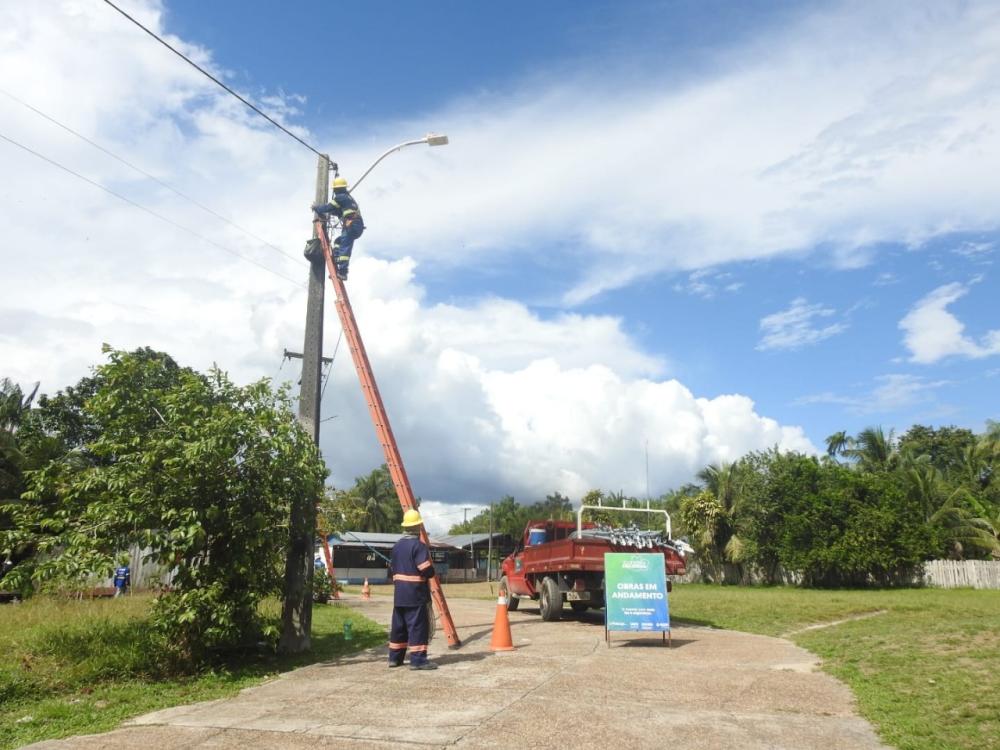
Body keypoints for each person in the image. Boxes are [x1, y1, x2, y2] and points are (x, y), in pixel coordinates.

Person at [388, 509, 438, 670]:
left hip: (399, 595)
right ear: (418, 527)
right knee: (417, 626)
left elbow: (392, 571)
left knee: (399, 627)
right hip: (415, 595)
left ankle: (395, 658)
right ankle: (418, 661)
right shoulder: (419, 546)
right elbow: (425, 569)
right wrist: (432, 571)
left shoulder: (396, 547)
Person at [311, 176, 365, 281]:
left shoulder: (340, 197)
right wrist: (330, 212)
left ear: (336, 189)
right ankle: (336, 259)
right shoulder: (348, 198)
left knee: (345, 246)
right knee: (338, 241)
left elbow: (328, 207)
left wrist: (316, 208)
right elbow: (338, 211)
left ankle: (343, 272)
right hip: (356, 225)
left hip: (351, 225)